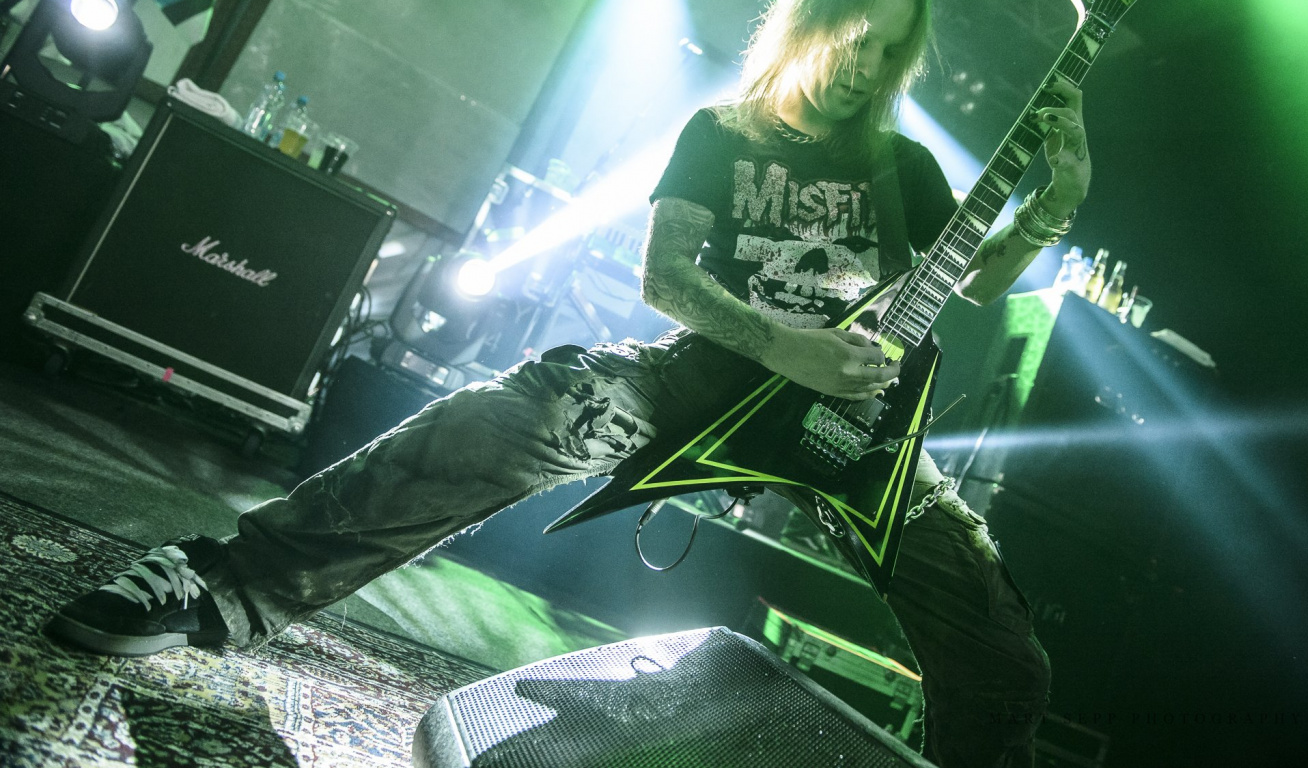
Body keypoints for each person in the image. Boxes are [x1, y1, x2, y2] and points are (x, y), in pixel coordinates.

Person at [47, 0, 1091, 765]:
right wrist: (783, 344)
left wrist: (1055, 204)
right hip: (701, 381)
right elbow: (665, 277)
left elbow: (974, 276)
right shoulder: (721, 135)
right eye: (856, 35)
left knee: (1012, 663)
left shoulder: (906, 168)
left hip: (860, 431)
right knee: (491, 424)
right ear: (809, 21)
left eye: (890, 50)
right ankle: (221, 583)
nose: (867, 64)